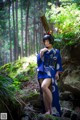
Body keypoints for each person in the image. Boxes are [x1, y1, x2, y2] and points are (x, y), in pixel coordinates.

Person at [37, 33, 63, 117]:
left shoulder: (56, 51)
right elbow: (39, 62)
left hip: (50, 71)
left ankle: (52, 109)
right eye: (45, 41)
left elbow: (58, 63)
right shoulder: (43, 51)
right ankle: (47, 110)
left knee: (44, 86)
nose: (46, 43)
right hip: (42, 71)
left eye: (47, 41)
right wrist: (41, 53)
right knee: (44, 90)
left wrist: (57, 73)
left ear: (51, 41)